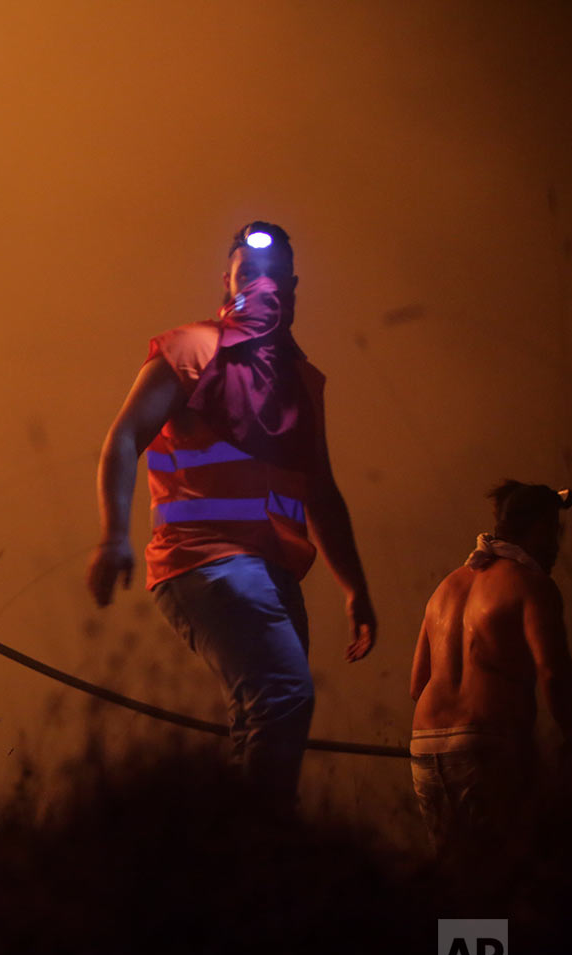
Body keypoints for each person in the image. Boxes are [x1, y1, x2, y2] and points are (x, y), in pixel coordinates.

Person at [87, 221, 376, 807]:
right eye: (249, 274)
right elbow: (123, 437)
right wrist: (113, 536)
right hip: (207, 561)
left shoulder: (299, 381)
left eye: (274, 277)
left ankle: (239, 863)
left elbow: (321, 489)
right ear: (227, 282)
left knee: (268, 715)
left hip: (273, 572)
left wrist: (354, 588)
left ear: (293, 288)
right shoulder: (193, 348)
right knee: (284, 697)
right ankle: (255, 852)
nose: (263, 286)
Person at [409, 480, 572, 869]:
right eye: (553, 532)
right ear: (536, 528)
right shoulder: (532, 585)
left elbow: (416, 685)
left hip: (424, 747)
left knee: (452, 879)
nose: (556, 545)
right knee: (497, 878)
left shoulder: (446, 587)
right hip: (486, 750)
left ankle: (451, 933)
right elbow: (553, 672)